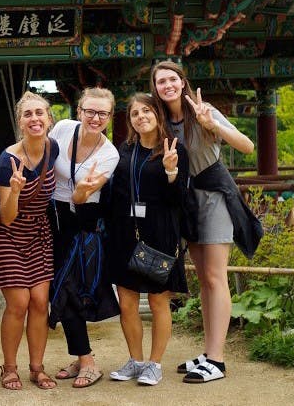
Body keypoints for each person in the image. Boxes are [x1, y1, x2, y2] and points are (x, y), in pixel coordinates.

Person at [150, 59, 262, 384]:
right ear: (155, 88)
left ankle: (217, 359)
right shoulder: (161, 121)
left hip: (214, 194)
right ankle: (208, 352)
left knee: (216, 277)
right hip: (189, 200)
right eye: (161, 82)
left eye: (172, 79)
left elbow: (246, 145)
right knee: (204, 280)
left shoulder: (204, 110)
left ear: (182, 81)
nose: (167, 85)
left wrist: (212, 124)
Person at [105, 92, 190, 386]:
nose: (141, 117)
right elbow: (115, 194)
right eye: (135, 114)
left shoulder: (176, 148)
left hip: (160, 233)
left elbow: (179, 199)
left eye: (147, 111)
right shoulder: (124, 150)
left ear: (158, 114)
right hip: (125, 233)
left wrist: (170, 171)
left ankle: (155, 364)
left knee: (157, 302)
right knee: (127, 302)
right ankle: (135, 360)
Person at [0, 91, 60, 391]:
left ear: (49, 119)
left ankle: (37, 368)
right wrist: (14, 190)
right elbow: (7, 216)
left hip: (39, 234)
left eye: (40, 113)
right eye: (28, 114)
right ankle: (9, 367)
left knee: (41, 302)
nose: (35, 118)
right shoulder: (7, 160)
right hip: (8, 233)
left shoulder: (54, 149)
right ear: (20, 122)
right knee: (19, 302)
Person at [48, 87, 120, 388]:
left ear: (110, 117)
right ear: (79, 110)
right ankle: (81, 357)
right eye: (90, 111)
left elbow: (83, 195)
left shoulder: (109, 153)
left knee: (69, 287)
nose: (95, 117)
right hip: (53, 214)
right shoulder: (64, 129)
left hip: (84, 221)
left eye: (102, 113)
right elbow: (40, 153)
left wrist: (79, 192)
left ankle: (88, 359)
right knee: (58, 284)